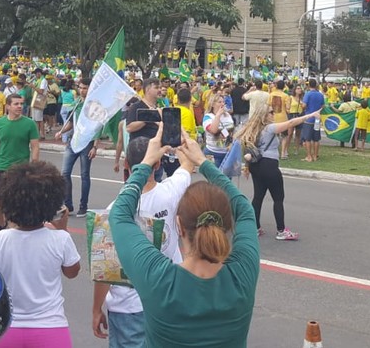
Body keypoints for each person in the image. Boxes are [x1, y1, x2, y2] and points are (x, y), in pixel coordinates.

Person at [109, 130, 260, 347]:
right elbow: (245, 208)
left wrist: (146, 163)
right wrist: (203, 162)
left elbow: (120, 215)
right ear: (227, 225)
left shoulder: (159, 279)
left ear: (178, 226)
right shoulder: (242, 274)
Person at [92, 136, 193, 347]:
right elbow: (187, 164)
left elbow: (106, 267)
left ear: (126, 165)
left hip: (127, 306)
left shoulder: (115, 209)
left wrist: (96, 309)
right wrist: (179, 140)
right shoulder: (171, 191)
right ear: (158, 164)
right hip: (167, 297)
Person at [0, 161, 80, 348]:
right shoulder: (60, 239)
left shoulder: (1, 239)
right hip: (51, 328)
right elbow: (72, 271)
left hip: (6, 328)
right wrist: (63, 229)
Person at [236, 103, 320, 241]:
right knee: (278, 198)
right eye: (271, 112)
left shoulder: (253, 129)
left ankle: (255, 227)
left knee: (258, 197)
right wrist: (310, 115)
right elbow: (291, 122)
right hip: (269, 165)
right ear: (264, 115)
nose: (273, 114)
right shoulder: (269, 128)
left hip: (256, 166)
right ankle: (281, 230)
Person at [0, 93, 40, 230]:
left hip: (20, 170)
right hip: (1, 167)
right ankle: (2, 224)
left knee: (18, 201)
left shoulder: (30, 124)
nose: (20, 106)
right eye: (16, 104)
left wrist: (34, 166)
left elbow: (35, 147)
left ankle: (13, 226)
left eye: (21, 104)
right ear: (8, 106)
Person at [54, 80, 97, 217]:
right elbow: (71, 123)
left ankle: (83, 206)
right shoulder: (77, 102)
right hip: (74, 141)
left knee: (84, 175)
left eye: (85, 88)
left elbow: (98, 126)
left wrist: (95, 146)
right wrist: (61, 132)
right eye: (81, 87)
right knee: (65, 173)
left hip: (87, 142)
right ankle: (68, 204)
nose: (83, 90)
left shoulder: (93, 105)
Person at [202, 94, 234, 168]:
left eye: (223, 102)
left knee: (226, 178)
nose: (222, 104)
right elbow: (213, 130)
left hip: (226, 152)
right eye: (219, 102)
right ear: (213, 104)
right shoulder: (208, 117)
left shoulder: (228, 116)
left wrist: (231, 143)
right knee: (214, 177)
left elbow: (231, 131)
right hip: (212, 152)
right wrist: (218, 115)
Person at [300, 79, 326, 163]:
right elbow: (323, 106)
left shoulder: (308, 94)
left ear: (308, 85)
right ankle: (315, 155)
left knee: (307, 139)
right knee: (316, 139)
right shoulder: (320, 95)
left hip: (309, 118)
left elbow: (304, 105)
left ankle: (309, 156)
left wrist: (302, 105)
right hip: (317, 119)